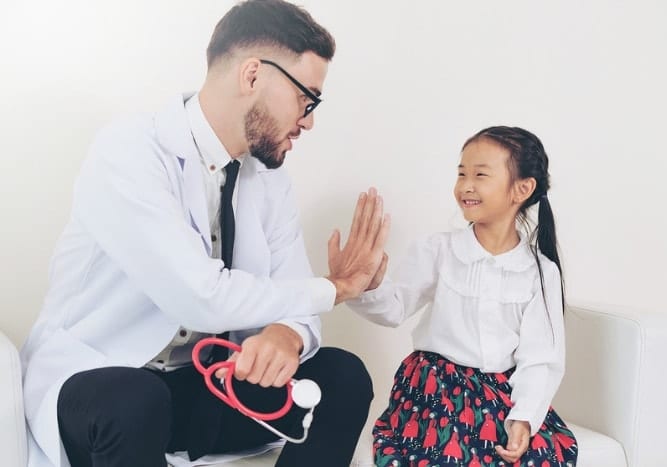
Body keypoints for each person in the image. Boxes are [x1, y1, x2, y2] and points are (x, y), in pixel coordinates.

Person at [19, 1, 390, 466]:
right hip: (104, 384)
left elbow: (295, 293)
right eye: (305, 98)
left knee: (344, 375)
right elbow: (199, 296)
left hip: (202, 387)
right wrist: (336, 288)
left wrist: (285, 335)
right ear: (253, 75)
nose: (309, 120)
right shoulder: (131, 151)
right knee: (137, 400)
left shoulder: (269, 179)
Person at [347, 126, 578, 466]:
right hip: (434, 387)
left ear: (522, 189)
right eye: (461, 173)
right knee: (445, 454)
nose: (466, 185)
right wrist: (365, 283)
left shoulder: (540, 272)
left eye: (480, 175)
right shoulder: (438, 250)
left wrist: (524, 417)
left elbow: (541, 358)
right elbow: (394, 307)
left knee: (539, 454)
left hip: (499, 393)